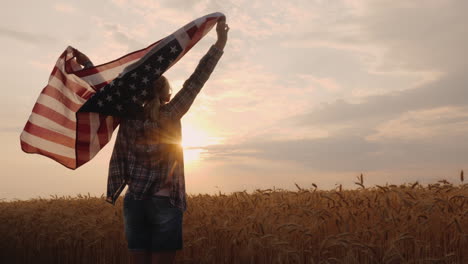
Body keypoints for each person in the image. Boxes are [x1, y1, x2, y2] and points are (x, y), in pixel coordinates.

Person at [74, 17, 229, 264]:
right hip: (165, 201)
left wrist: (87, 65)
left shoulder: (126, 113)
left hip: (134, 202)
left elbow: (104, 92)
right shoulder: (171, 113)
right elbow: (196, 81)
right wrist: (219, 44)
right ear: (166, 95)